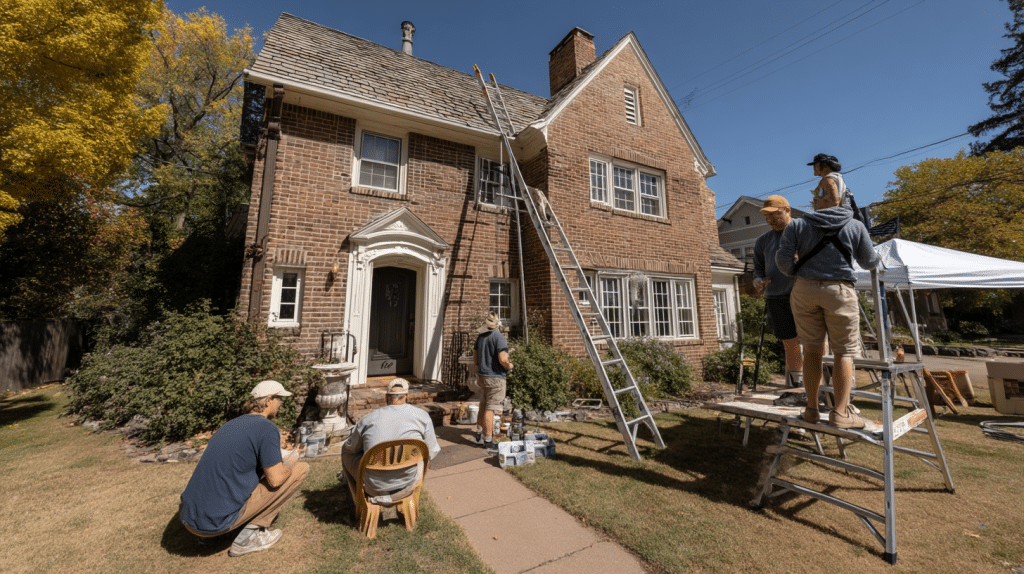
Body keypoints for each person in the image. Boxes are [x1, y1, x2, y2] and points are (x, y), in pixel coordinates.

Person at [776, 159, 879, 429]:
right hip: (840, 290)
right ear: (843, 198)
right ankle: (841, 413)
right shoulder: (855, 225)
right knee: (844, 353)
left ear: (817, 201)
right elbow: (870, 262)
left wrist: (800, 272)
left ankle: (811, 409)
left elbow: (783, 263)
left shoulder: (796, 226)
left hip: (804, 289)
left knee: (811, 350)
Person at [179, 380, 309, 557]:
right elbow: (276, 479)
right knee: (300, 469)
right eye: (279, 399)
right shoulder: (266, 427)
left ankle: (210, 537)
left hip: (189, 520)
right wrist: (293, 460)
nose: (280, 403)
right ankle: (248, 537)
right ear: (269, 400)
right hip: (214, 524)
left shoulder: (230, 425)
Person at [340, 378, 441, 503]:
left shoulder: (368, 419)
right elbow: (432, 451)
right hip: (409, 482)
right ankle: (400, 494)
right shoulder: (422, 416)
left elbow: (351, 448)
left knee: (345, 451)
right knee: (424, 456)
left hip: (374, 486)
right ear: (407, 397)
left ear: (386, 398)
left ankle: (358, 501)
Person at [752, 194, 804, 388]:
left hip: (802, 294)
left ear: (788, 210)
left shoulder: (802, 230)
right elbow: (758, 268)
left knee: (812, 343)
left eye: (774, 214)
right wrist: (758, 279)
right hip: (775, 296)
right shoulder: (762, 241)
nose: (770, 219)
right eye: (766, 216)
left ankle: (821, 388)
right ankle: (797, 388)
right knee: (789, 343)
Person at [474, 311, 513, 450]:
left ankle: (479, 432)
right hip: (496, 378)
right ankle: (488, 441)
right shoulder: (499, 337)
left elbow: (475, 359)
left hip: (482, 376)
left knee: (483, 404)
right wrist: (510, 365)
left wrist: (481, 369)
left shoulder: (480, 337)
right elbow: (503, 359)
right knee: (490, 409)